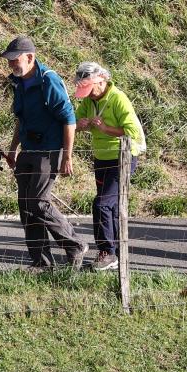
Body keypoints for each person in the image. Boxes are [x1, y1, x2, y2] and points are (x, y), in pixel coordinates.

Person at [2, 36, 85, 273]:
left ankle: (75, 244)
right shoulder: (18, 83)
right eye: (9, 61)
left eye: (14, 60)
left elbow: (69, 120)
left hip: (48, 151)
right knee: (26, 206)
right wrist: (12, 148)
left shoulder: (49, 81)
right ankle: (42, 263)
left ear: (30, 57)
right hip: (28, 150)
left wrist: (67, 157)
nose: (11, 65)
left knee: (38, 201)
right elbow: (21, 119)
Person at [72, 62, 146, 273]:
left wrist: (105, 128)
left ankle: (107, 252)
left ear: (102, 80)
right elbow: (74, 122)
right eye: (84, 90)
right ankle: (117, 252)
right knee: (111, 207)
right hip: (100, 158)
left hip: (122, 158)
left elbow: (132, 132)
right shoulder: (89, 99)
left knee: (102, 204)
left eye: (90, 89)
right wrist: (81, 125)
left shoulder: (118, 98)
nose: (89, 95)